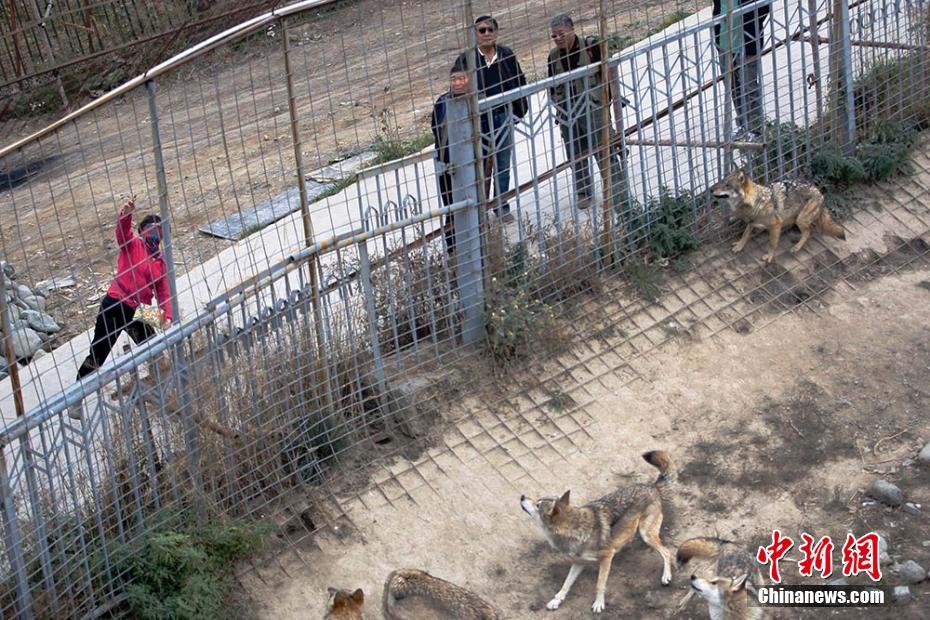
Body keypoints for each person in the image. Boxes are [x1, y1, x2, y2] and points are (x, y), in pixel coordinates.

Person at [75, 197, 173, 389]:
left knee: (154, 347)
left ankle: (162, 385)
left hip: (137, 309)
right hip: (115, 302)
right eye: (151, 229)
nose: (155, 234)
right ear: (142, 231)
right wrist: (126, 215)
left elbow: (163, 292)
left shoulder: (160, 262)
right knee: (98, 353)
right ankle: (77, 393)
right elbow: (122, 233)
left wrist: (167, 316)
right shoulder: (133, 245)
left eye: (158, 230)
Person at [547, 14, 629, 213]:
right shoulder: (553, 57)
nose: (558, 39)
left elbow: (609, 73)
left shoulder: (591, 46)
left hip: (594, 109)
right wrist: (558, 109)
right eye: (554, 36)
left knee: (605, 150)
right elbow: (551, 86)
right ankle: (584, 192)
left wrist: (613, 99)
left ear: (572, 29)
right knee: (575, 153)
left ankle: (616, 193)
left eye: (561, 34)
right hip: (568, 112)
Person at [455, 15, 529, 223]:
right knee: (478, 165)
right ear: (475, 35)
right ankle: (479, 209)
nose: (486, 34)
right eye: (482, 30)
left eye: (490, 30)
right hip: (479, 121)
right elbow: (457, 87)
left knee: (502, 163)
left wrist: (519, 111)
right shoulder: (466, 59)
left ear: (496, 32)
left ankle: (501, 204)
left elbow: (519, 80)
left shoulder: (506, 54)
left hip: (503, 116)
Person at [713, 0, 771, 141]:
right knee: (732, 86)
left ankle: (756, 129)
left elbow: (763, 7)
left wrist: (751, 21)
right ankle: (743, 124)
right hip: (724, 41)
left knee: (749, 86)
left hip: (747, 40)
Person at [431, 58, 471, 254]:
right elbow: (436, 130)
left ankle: (476, 244)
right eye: (453, 79)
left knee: (473, 204)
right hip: (447, 164)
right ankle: (454, 249)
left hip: (472, 162)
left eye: (461, 79)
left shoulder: (476, 100)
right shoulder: (442, 103)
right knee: (451, 207)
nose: (456, 83)